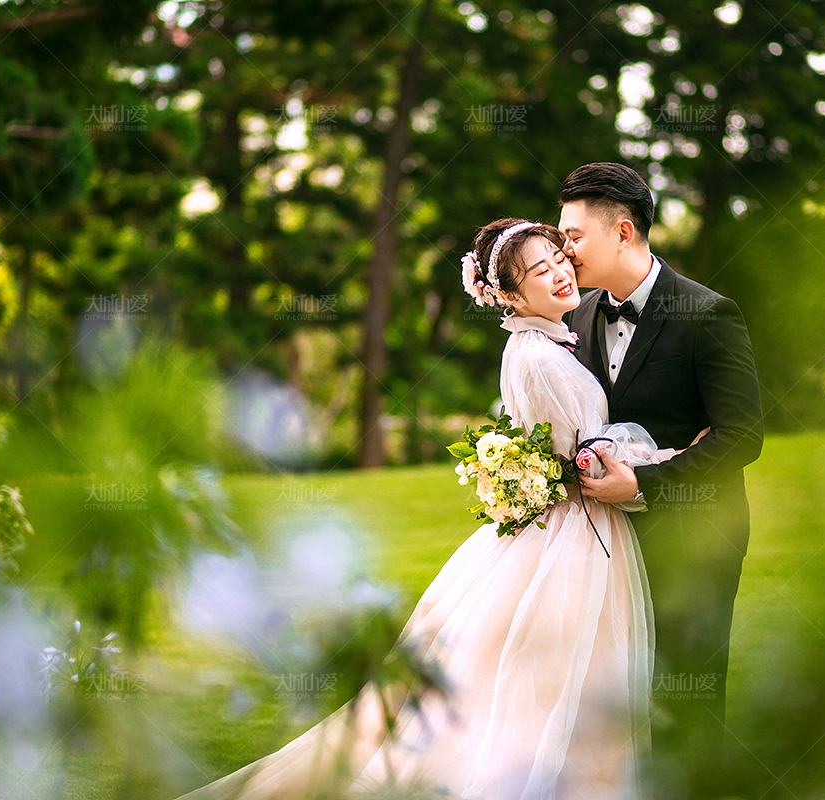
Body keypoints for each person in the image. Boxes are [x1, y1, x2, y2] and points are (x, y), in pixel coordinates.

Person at [175, 219, 684, 800]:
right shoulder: (538, 357)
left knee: (547, 664)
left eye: (558, 260)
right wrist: (664, 456)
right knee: (565, 664)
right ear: (512, 297)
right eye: (539, 271)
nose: (560, 273)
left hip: (563, 524)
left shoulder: (542, 343)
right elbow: (586, 459)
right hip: (573, 529)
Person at [557, 163, 764, 790]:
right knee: (617, 696)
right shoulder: (578, 317)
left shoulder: (708, 313)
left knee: (687, 692)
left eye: (573, 236)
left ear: (623, 232)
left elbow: (742, 435)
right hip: (607, 543)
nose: (563, 251)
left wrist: (647, 484)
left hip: (695, 537)